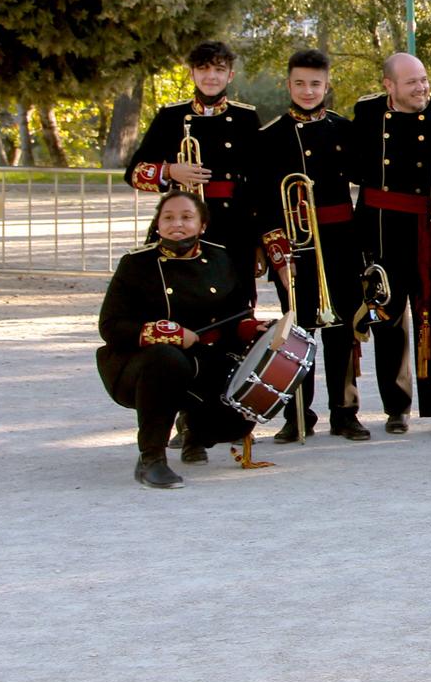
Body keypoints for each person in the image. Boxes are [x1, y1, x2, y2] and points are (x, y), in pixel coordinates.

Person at [98, 192, 261, 488]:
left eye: (187, 217)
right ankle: (151, 459)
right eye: (168, 218)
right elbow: (111, 326)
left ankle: (194, 429)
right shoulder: (136, 264)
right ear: (158, 225)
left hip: (203, 362)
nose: (177, 224)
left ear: (202, 225)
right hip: (140, 366)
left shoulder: (220, 258)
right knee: (166, 359)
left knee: (235, 421)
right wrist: (170, 334)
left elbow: (237, 316)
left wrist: (256, 331)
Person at [350, 53, 431, 437]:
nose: (422, 88)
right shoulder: (366, 113)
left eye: (424, 80)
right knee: (385, 314)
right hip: (379, 226)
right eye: (412, 82)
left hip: (425, 227)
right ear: (389, 86)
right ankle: (396, 406)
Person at [257, 47, 365, 442]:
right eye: (300, 83)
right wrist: (279, 256)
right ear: (288, 84)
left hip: (340, 243)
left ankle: (346, 413)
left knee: (341, 330)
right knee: (297, 333)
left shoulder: (343, 129)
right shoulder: (269, 136)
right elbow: (263, 203)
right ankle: (297, 415)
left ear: (327, 85)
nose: (307, 91)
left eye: (315, 84)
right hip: (296, 248)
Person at [123, 40, 263, 276]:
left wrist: (259, 241)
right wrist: (170, 171)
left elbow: (260, 183)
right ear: (191, 73)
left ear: (230, 75)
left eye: (219, 70)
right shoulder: (171, 116)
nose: (211, 77)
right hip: (182, 222)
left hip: (234, 225)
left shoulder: (245, 117)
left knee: (235, 300)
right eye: (203, 69)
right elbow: (134, 173)